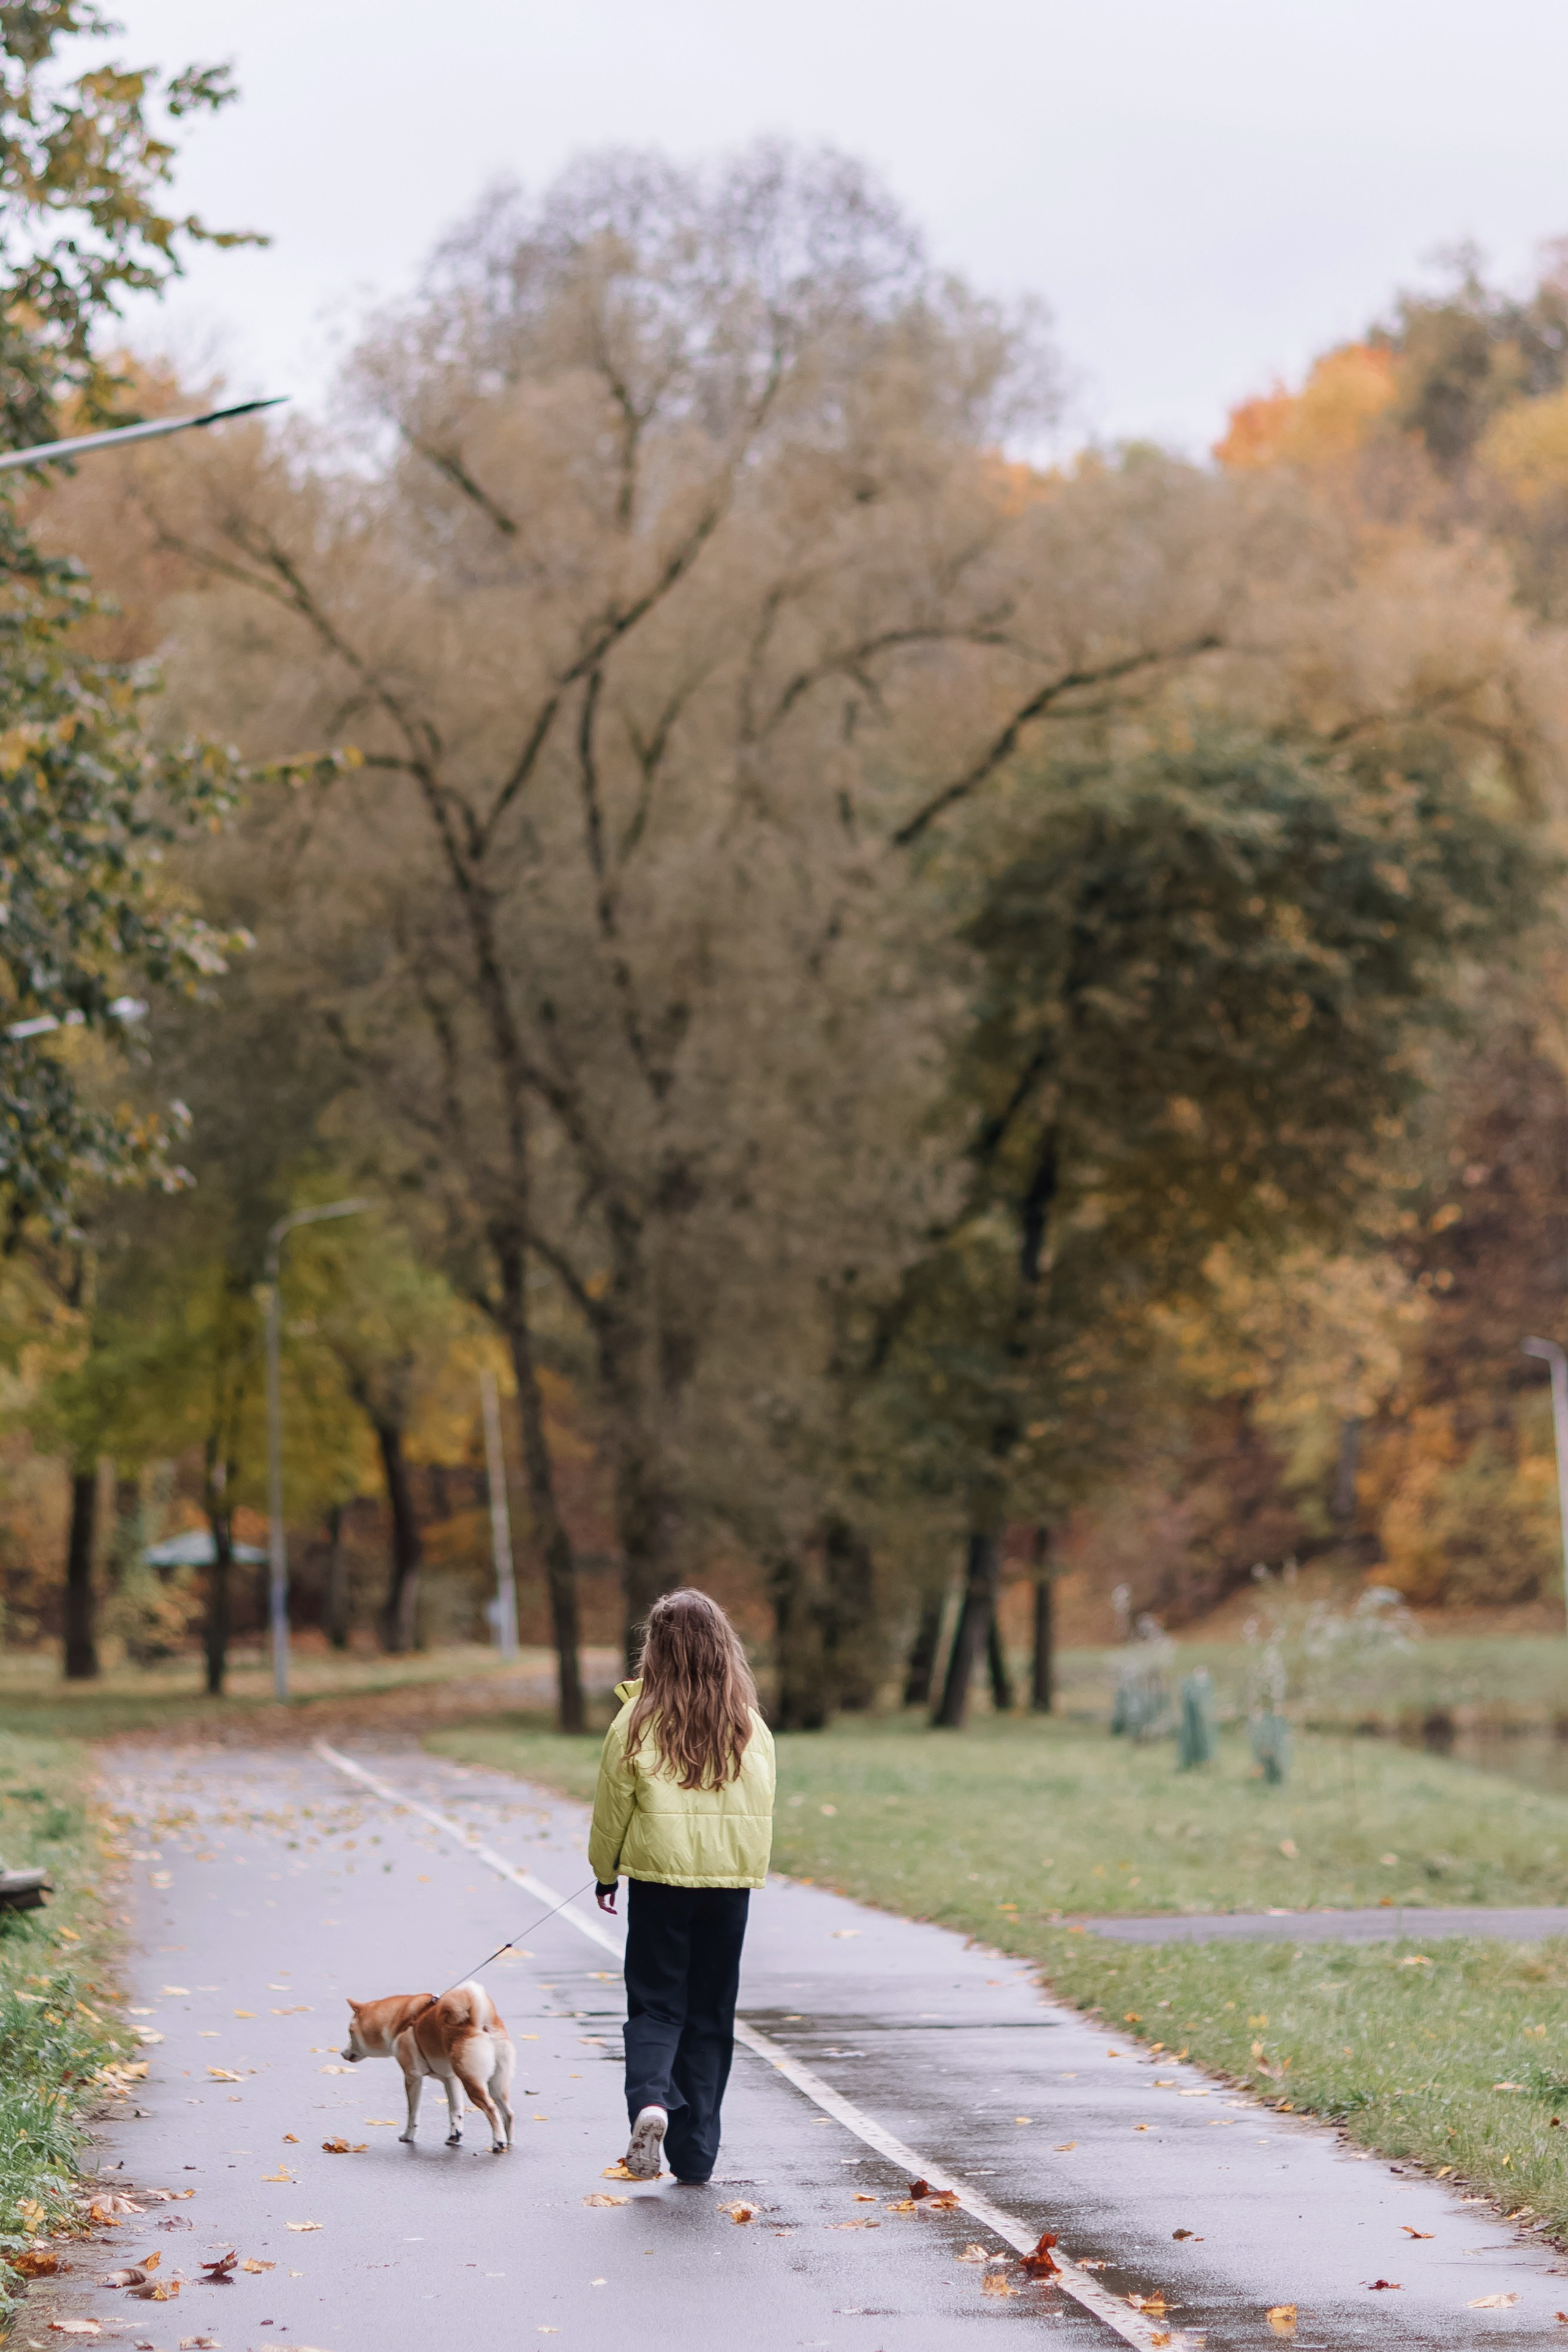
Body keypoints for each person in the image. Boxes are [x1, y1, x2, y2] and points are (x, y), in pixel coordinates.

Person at [589, 1589, 775, 2186]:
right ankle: (696, 2154)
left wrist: (604, 1870)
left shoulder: (635, 1720)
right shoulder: (748, 1725)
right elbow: (762, 1803)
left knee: (655, 2005)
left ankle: (649, 2100)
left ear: (657, 1650)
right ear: (724, 1649)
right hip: (728, 1886)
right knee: (711, 2015)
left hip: (659, 1884)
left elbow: (611, 1806)